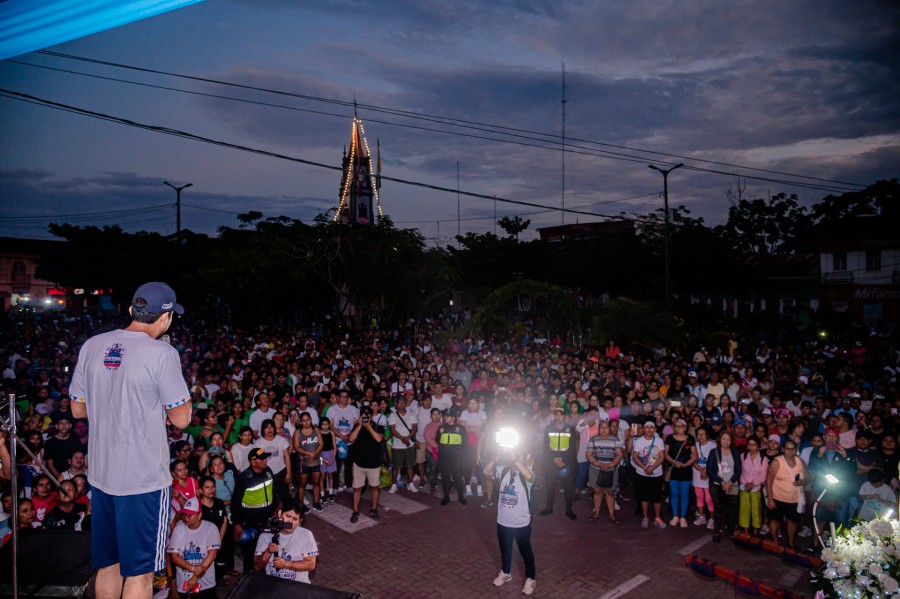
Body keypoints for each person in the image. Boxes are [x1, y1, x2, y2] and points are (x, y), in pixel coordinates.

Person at [70, 281, 191, 599]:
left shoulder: (93, 345)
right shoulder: (162, 353)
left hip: (101, 477)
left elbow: (77, 408)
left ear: (130, 310)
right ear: (165, 318)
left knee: (108, 565)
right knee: (140, 574)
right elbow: (182, 418)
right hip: (143, 483)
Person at [483, 446, 536, 596]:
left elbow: (530, 477)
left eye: (519, 456)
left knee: (526, 551)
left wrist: (516, 460)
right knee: (505, 549)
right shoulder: (504, 470)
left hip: (521, 522)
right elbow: (486, 472)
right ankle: (506, 572)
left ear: (525, 459)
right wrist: (496, 458)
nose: (514, 459)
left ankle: (531, 578)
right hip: (503, 520)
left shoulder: (528, 472)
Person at [231, 448, 284, 572]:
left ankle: (265, 575)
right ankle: (248, 578)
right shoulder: (244, 478)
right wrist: (237, 523)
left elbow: (273, 491)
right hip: (250, 521)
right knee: (250, 552)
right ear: (253, 462)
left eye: (266, 458)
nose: (266, 460)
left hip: (267, 518)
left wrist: (276, 507)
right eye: (262, 459)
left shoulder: (268, 471)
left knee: (267, 547)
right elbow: (235, 502)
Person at [253, 499, 318, 583]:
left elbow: (311, 565)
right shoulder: (265, 535)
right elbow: (257, 566)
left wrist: (285, 564)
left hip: (299, 586)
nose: (290, 521)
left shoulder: (306, 535)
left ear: (300, 521)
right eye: (288, 516)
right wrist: (268, 551)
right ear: (280, 513)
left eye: (295, 519)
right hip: (273, 586)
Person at [166, 497, 219, 599]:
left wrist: (195, 577)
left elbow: (212, 555)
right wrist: (193, 568)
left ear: (199, 515)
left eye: (190, 515)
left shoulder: (210, 528)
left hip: (206, 583)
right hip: (184, 584)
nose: (186, 517)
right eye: (184, 514)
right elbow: (174, 557)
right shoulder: (178, 530)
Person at [765, 438, 809, 549]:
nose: (790, 451)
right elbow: (769, 480)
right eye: (787, 449)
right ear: (783, 449)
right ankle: (775, 541)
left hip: (794, 499)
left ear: (795, 450)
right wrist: (770, 499)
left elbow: (809, 476)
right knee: (775, 520)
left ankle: (790, 542)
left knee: (792, 521)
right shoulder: (777, 462)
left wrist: (802, 482)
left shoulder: (800, 461)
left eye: (792, 449)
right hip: (777, 498)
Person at [538, 406, 577, 520]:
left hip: (566, 463)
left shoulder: (570, 429)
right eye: (556, 414)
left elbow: (572, 447)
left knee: (568, 487)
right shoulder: (549, 428)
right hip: (551, 462)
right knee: (550, 486)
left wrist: (563, 460)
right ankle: (549, 508)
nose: (558, 417)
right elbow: (545, 447)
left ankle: (569, 510)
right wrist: (554, 459)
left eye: (561, 415)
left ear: (564, 416)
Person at [349, 405, 385, 522]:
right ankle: (355, 511)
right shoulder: (357, 426)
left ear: (371, 416)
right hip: (359, 464)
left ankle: (374, 509)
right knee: (357, 488)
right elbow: (351, 439)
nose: (365, 417)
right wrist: (359, 425)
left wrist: (369, 427)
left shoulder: (378, 427)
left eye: (367, 415)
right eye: (363, 415)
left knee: (375, 487)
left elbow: (379, 439)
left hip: (374, 464)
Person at [586, 419, 624, 523]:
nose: (604, 430)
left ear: (609, 429)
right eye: (602, 428)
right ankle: (596, 513)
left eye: (606, 427)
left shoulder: (616, 440)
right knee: (597, 491)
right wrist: (597, 464)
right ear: (598, 429)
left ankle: (611, 515)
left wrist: (611, 464)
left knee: (610, 492)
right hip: (596, 469)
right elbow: (589, 454)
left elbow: (620, 454)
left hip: (611, 470)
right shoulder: (592, 440)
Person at [707, 429, 742, 542]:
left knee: (732, 509)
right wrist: (722, 482)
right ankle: (717, 530)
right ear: (719, 440)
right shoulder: (714, 452)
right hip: (717, 486)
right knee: (718, 509)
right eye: (723, 439)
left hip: (733, 485)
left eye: (728, 439)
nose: (726, 441)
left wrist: (730, 482)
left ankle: (731, 530)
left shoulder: (735, 452)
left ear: (731, 441)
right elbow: (710, 470)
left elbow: (738, 470)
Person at [631, 421, 666, 528]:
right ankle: (645, 517)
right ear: (644, 429)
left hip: (656, 473)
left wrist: (653, 468)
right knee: (644, 497)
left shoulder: (659, 441)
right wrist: (645, 468)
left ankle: (657, 518)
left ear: (655, 430)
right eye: (647, 427)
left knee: (656, 497)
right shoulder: (639, 441)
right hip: (642, 473)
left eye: (652, 427)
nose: (649, 429)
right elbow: (635, 457)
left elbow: (662, 457)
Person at [664, 418, 697, 528]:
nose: (679, 428)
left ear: (685, 427)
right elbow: (666, 454)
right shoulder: (670, 438)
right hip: (674, 469)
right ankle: (675, 516)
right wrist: (674, 462)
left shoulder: (689, 439)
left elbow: (695, 455)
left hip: (686, 470)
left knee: (684, 494)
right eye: (677, 426)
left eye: (681, 426)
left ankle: (683, 517)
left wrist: (686, 464)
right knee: (674, 494)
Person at [436, 406, 469, 506]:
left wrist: (462, 457)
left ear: (454, 417)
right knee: (445, 478)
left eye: (448, 416)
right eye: (445, 416)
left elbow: (465, 444)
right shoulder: (441, 428)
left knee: (457, 478)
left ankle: (461, 496)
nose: (445, 417)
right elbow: (437, 440)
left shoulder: (461, 428)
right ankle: (446, 497)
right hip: (444, 458)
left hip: (456, 459)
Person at [387, 394, 418, 494]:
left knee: (409, 466)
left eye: (403, 402)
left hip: (410, 444)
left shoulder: (411, 414)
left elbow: (414, 428)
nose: (402, 404)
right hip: (397, 445)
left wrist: (408, 437)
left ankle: (411, 484)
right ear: (395, 404)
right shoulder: (392, 415)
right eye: (400, 402)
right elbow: (392, 430)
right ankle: (394, 485)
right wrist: (402, 438)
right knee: (396, 466)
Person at [293, 412, 323, 511]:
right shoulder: (297, 432)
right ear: (301, 422)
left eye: (308, 420)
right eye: (304, 420)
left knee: (316, 482)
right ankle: (301, 505)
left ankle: (316, 503)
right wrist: (309, 453)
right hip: (303, 461)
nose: (306, 422)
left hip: (315, 460)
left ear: (311, 419)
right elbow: (296, 447)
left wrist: (314, 454)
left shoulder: (316, 430)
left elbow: (321, 444)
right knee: (302, 484)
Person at [738, 436, 768, 536]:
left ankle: (755, 532)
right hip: (744, 487)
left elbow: (763, 475)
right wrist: (745, 483)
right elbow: (740, 472)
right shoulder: (743, 456)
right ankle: (746, 532)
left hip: (756, 488)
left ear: (758, 447)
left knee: (756, 510)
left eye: (754, 445)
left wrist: (752, 484)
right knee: (744, 509)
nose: (751, 447)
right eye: (749, 444)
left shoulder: (763, 458)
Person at [692, 425, 716, 529]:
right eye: (698, 434)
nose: (700, 436)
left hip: (708, 477)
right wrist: (701, 470)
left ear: (707, 435)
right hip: (697, 476)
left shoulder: (713, 445)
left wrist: (706, 471)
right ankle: (702, 516)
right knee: (699, 497)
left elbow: (715, 461)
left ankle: (712, 519)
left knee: (709, 498)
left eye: (702, 434)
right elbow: (692, 460)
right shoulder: (695, 445)